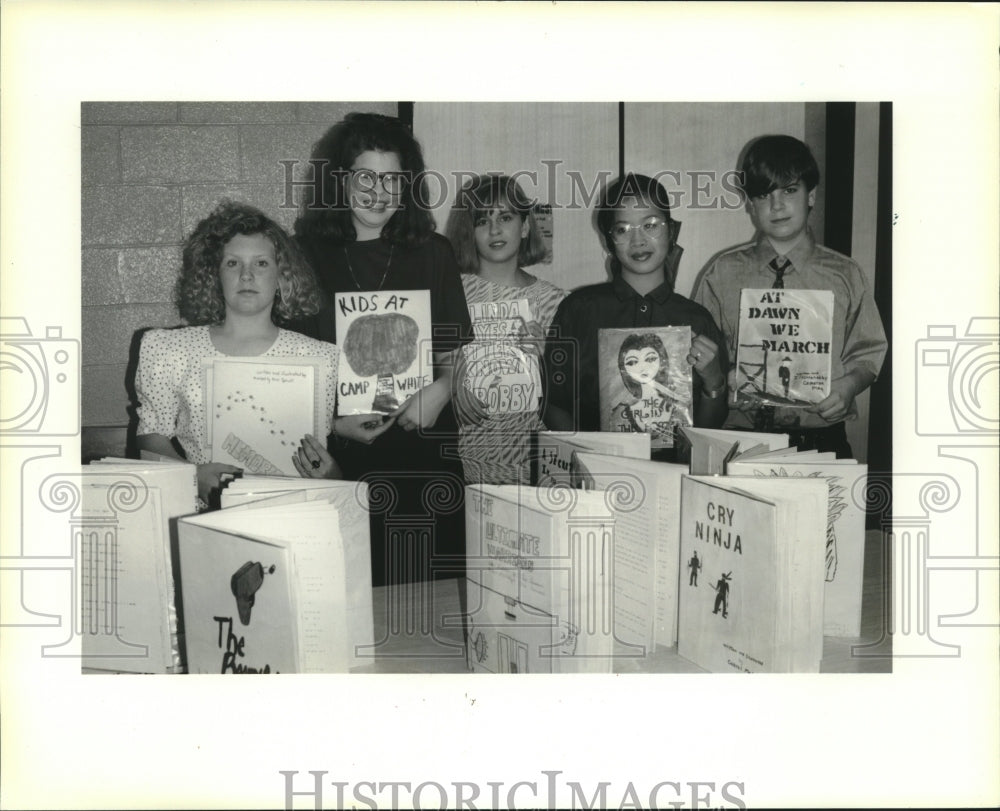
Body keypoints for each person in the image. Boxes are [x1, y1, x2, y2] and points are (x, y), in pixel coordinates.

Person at [291, 112, 473, 586]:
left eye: (392, 178)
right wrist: (330, 424)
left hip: (425, 456)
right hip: (339, 461)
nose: (378, 192)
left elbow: (456, 362)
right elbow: (286, 374)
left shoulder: (433, 252)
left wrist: (441, 391)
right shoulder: (303, 255)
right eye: (365, 177)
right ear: (340, 181)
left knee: (430, 599)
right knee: (347, 596)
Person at [691, 135, 887, 458]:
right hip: (740, 438)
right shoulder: (722, 273)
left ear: (811, 196)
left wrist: (849, 385)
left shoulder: (845, 274)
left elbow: (869, 351)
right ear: (751, 205)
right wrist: (718, 374)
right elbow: (702, 349)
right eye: (764, 194)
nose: (777, 205)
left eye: (790, 190)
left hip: (821, 438)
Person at [134, 201, 341, 508]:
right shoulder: (169, 350)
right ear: (214, 275)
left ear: (282, 276)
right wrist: (192, 476)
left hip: (291, 516)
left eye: (261, 263)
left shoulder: (319, 359)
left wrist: (331, 473)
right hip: (203, 519)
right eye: (232, 263)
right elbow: (150, 435)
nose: (246, 275)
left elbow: (324, 465)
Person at [542, 173, 728, 462]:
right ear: (609, 240)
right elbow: (554, 403)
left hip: (675, 482)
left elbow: (710, 433)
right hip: (596, 481)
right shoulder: (579, 310)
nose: (638, 240)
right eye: (623, 229)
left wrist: (714, 381)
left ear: (671, 231)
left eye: (651, 225)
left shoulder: (697, 319)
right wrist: (588, 459)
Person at [444, 174, 567, 485]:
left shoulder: (554, 301)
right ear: (468, 232)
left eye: (506, 217)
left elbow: (568, 400)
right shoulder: (449, 291)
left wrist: (546, 362)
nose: (495, 229)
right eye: (482, 220)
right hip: (464, 466)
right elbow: (422, 370)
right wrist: (450, 377)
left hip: (535, 468)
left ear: (525, 226)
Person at [610, 332, 689, 443]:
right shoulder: (620, 414)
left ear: (662, 360)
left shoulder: (678, 411)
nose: (642, 367)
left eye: (650, 359)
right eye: (632, 362)